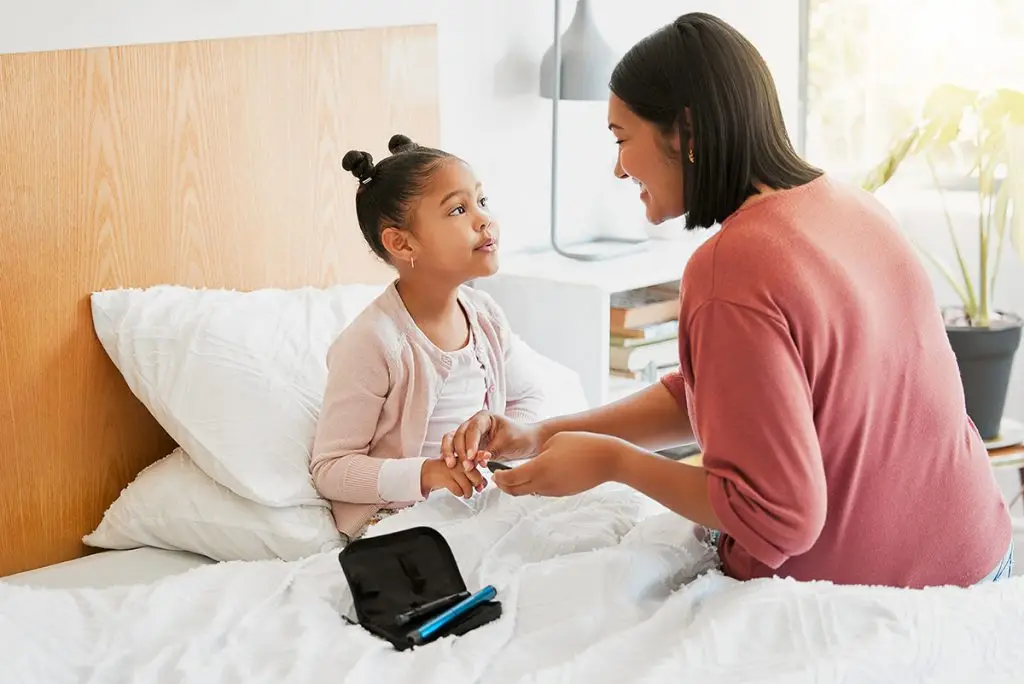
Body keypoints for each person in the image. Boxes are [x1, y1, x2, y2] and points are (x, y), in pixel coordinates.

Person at [444, 13, 1013, 588]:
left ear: (683, 132)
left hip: (876, 597)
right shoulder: (853, 206)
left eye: (621, 139)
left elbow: (777, 518)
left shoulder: (731, 267)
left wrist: (615, 463)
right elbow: (729, 397)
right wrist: (540, 435)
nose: (618, 169)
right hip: (982, 556)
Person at [310, 134, 547, 541]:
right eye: (458, 209)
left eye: (482, 201)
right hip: (400, 521)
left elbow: (529, 400)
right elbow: (331, 469)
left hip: (478, 501)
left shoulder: (486, 317)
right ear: (402, 243)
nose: (484, 220)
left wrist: (496, 437)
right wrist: (428, 473)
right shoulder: (373, 342)